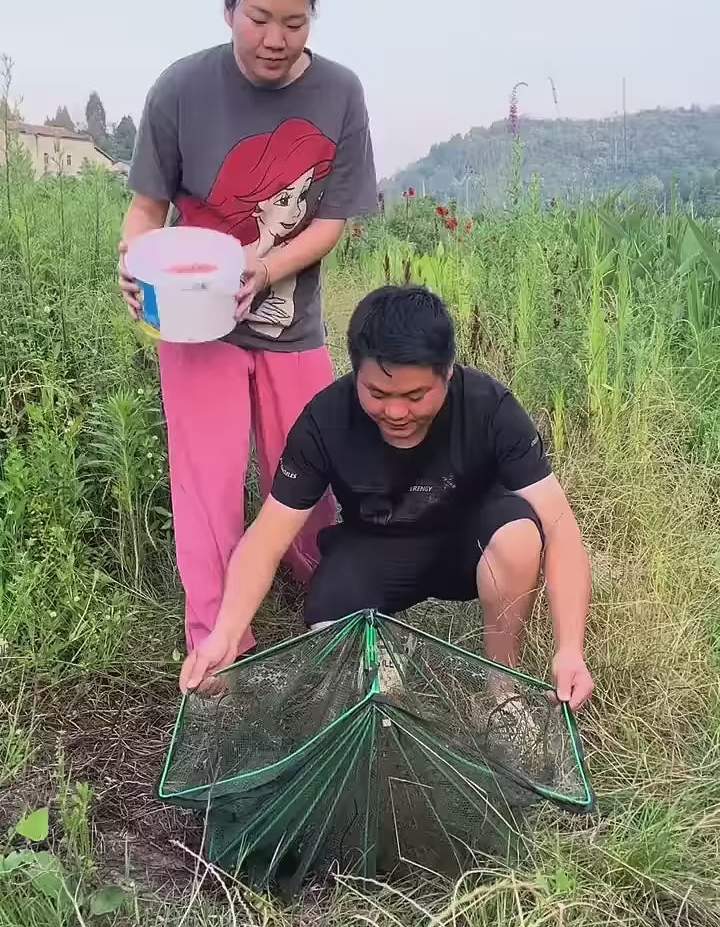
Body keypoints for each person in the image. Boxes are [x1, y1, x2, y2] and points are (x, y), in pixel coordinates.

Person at [118, 0, 377, 657]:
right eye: (259, 18)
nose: (275, 38)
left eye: (294, 23)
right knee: (208, 490)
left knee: (316, 476)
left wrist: (263, 269)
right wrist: (132, 264)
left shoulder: (340, 93)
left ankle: (322, 596)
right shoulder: (181, 89)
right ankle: (216, 642)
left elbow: (332, 221)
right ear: (228, 7)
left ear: (312, 21)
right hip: (196, 330)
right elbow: (145, 211)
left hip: (292, 325)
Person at [180, 287, 594, 711]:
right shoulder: (325, 420)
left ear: (447, 373)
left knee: (521, 537)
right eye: (377, 395)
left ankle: (500, 694)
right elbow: (266, 539)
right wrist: (226, 634)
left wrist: (570, 650)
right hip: (375, 547)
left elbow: (561, 527)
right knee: (333, 636)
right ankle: (386, 664)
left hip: (467, 540)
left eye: (415, 397)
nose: (396, 413)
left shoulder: (490, 407)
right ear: (356, 372)